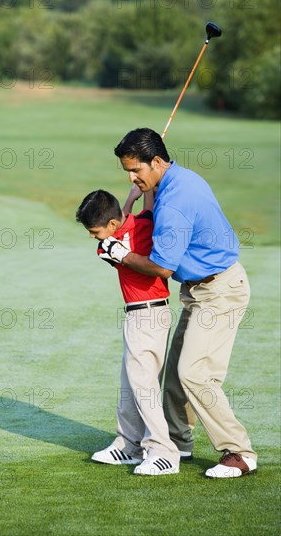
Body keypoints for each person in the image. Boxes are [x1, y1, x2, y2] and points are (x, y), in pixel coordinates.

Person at [99, 127, 257, 479]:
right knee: (174, 376)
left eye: (136, 170)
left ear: (156, 161)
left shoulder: (174, 203)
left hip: (220, 290)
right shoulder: (177, 178)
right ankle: (177, 442)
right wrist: (145, 189)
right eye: (127, 171)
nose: (131, 177)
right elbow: (156, 218)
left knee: (194, 373)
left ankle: (240, 452)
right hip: (202, 291)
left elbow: (162, 267)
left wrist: (121, 254)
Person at [76, 185, 180, 475]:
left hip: (146, 316)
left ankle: (163, 452)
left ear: (110, 225)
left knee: (143, 387)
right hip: (145, 315)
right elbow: (137, 216)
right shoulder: (142, 224)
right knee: (130, 384)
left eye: (95, 231)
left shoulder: (110, 246)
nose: (93, 237)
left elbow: (116, 235)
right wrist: (136, 195)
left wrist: (132, 198)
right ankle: (129, 445)